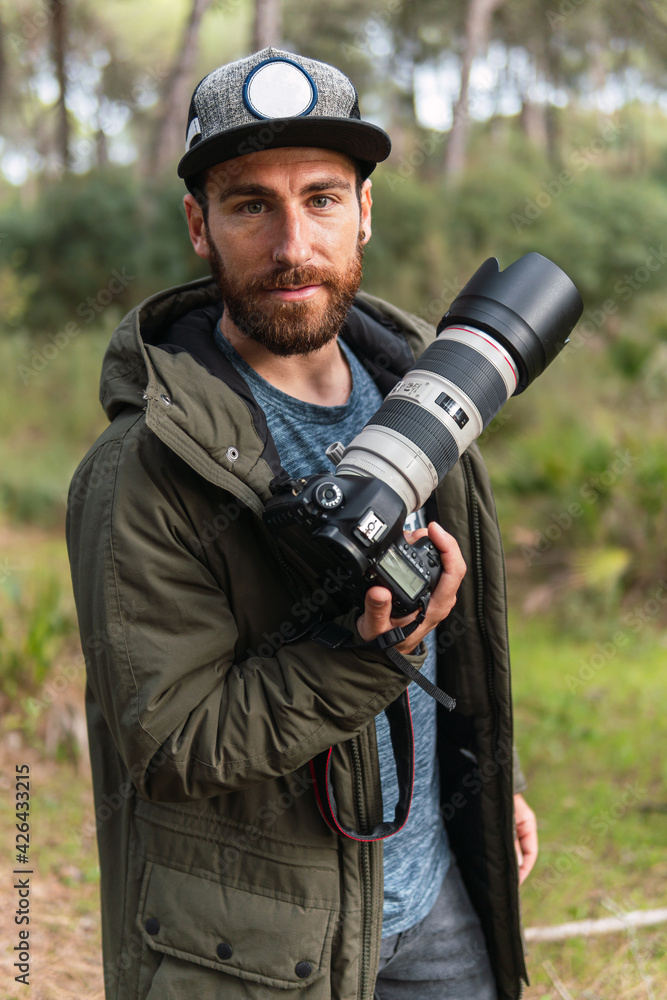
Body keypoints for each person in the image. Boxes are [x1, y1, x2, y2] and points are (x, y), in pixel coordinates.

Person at [66, 47, 538, 1000]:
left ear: (365, 209)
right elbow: (172, 745)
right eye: (251, 205)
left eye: (321, 198)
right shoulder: (143, 471)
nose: (293, 243)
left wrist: (484, 787)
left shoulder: (424, 400)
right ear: (200, 225)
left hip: (430, 898)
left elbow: (459, 645)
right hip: (251, 950)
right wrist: (367, 654)